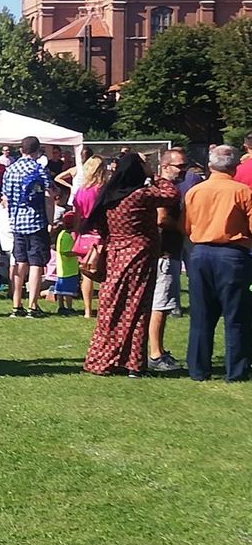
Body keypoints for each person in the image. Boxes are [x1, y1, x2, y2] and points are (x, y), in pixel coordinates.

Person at [82, 153, 178, 377]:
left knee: (112, 308)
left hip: (115, 255)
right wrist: (154, 175)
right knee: (137, 307)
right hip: (139, 256)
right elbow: (171, 195)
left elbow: (102, 228)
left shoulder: (108, 196)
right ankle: (133, 363)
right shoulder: (140, 195)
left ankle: (105, 359)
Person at [183, 145, 252, 382]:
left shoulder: (195, 191)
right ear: (235, 167)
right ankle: (236, 371)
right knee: (236, 315)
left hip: (200, 253)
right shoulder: (242, 191)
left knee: (200, 315)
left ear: (210, 165)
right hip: (233, 254)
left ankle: (198, 369)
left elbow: (186, 225)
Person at [146, 149, 187, 373]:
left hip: (165, 252)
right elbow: (161, 219)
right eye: (179, 166)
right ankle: (155, 354)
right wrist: (186, 227)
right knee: (160, 306)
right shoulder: (164, 189)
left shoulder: (162, 187)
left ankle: (157, 350)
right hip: (165, 253)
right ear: (165, 166)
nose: (183, 170)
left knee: (160, 304)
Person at [2, 136, 52, 318]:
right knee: (36, 263)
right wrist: (51, 221)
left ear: (21, 150)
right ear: (38, 151)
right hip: (36, 221)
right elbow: (48, 196)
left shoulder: (10, 170)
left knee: (20, 262)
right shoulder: (39, 169)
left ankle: (16, 305)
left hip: (17, 223)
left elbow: (5, 199)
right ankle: (33, 305)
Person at [71, 155, 107, 318]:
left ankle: (87, 310)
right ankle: (104, 308)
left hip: (85, 232)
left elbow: (77, 215)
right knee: (104, 271)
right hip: (100, 232)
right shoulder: (102, 190)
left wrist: (76, 233)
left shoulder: (81, 190)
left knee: (86, 273)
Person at [52, 211, 79, 315]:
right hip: (68, 269)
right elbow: (66, 252)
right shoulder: (67, 236)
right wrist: (78, 253)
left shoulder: (61, 234)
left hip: (62, 269)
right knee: (68, 291)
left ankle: (61, 306)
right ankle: (69, 308)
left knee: (60, 290)